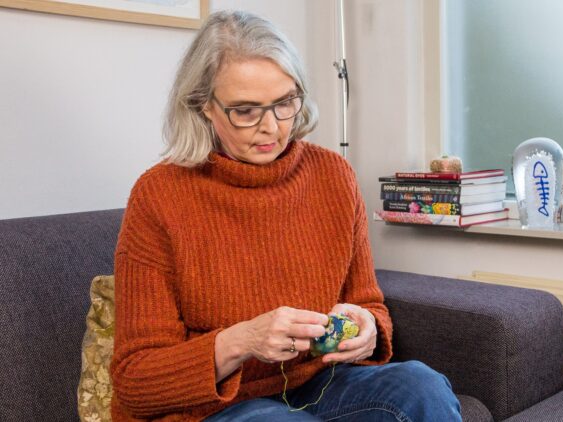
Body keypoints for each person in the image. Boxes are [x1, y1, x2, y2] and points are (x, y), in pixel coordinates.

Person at [110, 10, 461, 422]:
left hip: (316, 385)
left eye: (284, 103)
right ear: (204, 106)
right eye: (246, 111)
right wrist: (241, 341)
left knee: (420, 386)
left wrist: (367, 328)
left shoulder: (333, 175)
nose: (272, 127)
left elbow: (368, 302)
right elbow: (135, 380)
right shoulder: (159, 195)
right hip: (213, 407)